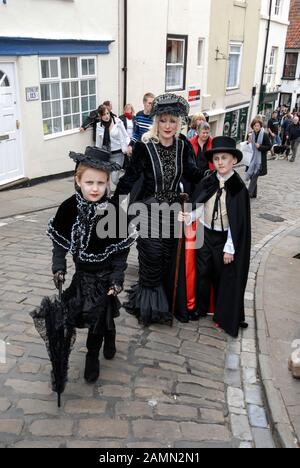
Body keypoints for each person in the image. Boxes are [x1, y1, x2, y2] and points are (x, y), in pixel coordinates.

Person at [113, 94, 207, 326]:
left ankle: (164, 301)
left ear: (179, 123)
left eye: (172, 121)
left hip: (174, 212)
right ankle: (149, 307)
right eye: (163, 120)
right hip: (149, 210)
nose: (168, 126)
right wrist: (113, 203)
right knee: (152, 256)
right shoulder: (145, 146)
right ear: (156, 122)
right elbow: (130, 178)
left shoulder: (183, 144)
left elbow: (194, 172)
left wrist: (215, 174)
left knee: (167, 259)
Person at [48, 147, 137, 384]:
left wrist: (117, 279)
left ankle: (92, 355)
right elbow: (60, 243)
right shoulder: (68, 208)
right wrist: (59, 267)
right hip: (82, 275)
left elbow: (121, 252)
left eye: (101, 182)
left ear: (108, 183)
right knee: (75, 314)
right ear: (78, 181)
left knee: (100, 318)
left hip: (106, 275)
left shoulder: (114, 213)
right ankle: (110, 332)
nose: (95, 188)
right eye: (89, 182)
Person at [179, 136, 251, 337]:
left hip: (223, 238)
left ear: (233, 161)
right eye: (217, 158)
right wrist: (189, 216)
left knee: (221, 276)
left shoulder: (238, 188)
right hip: (204, 232)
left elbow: (238, 223)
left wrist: (230, 246)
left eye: (224, 158)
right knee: (203, 272)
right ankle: (201, 308)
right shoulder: (209, 180)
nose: (220, 162)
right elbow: (199, 204)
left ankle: (221, 313)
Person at [95, 105, 130, 188]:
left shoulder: (117, 122)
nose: (107, 116)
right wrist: (96, 157)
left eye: (107, 113)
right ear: (100, 116)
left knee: (114, 179)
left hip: (118, 154)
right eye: (104, 114)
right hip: (105, 155)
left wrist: (129, 147)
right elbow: (98, 143)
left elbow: (126, 136)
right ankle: (108, 197)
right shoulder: (99, 126)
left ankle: (123, 190)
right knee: (105, 178)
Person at [245, 118, 271, 199]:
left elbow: (269, 146)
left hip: (260, 161)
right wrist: (247, 142)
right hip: (252, 159)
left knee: (254, 176)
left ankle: (249, 193)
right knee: (253, 176)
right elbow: (247, 145)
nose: (256, 127)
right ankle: (254, 194)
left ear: (260, 126)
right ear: (252, 126)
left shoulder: (264, 135)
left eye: (258, 126)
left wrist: (260, 147)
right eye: (255, 126)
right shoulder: (250, 134)